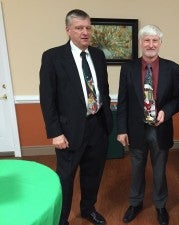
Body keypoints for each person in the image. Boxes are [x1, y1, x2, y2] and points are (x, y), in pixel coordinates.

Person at [39, 9, 113, 225]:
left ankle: (88, 209)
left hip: (98, 126)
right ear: (68, 30)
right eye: (79, 28)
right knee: (66, 177)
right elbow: (47, 98)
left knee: (93, 174)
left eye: (88, 28)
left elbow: (103, 89)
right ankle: (61, 219)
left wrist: (106, 116)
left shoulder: (98, 55)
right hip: (69, 131)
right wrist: (55, 132)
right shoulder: (52, 57)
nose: (85, 32)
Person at [117, 25, 179, 225]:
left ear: (160, 43)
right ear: (140, 43)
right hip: (136, 129)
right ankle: (135, 203)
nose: (151, 45)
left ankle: (160, 205)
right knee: (137, 168)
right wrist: (121, 130)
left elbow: (178, 99)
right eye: (147, 40)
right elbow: (123, 101)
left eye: (155, 41)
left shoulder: (173, 68)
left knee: (160, 170)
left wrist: (166, 111)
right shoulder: (128, 68)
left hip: (160, 129)